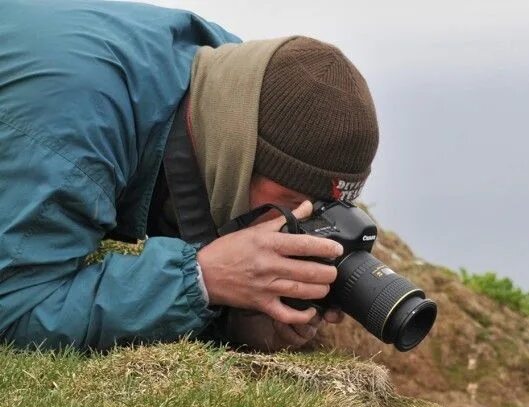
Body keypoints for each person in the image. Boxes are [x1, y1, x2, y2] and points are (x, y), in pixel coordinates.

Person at [0, 0, 380, 351]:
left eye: (325, 209)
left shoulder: (233, 87)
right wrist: (200, 280)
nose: (301, 221)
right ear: (237, 156)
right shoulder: (75, 133)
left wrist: (240, 316)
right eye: (291, 203)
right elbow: (17, 302)